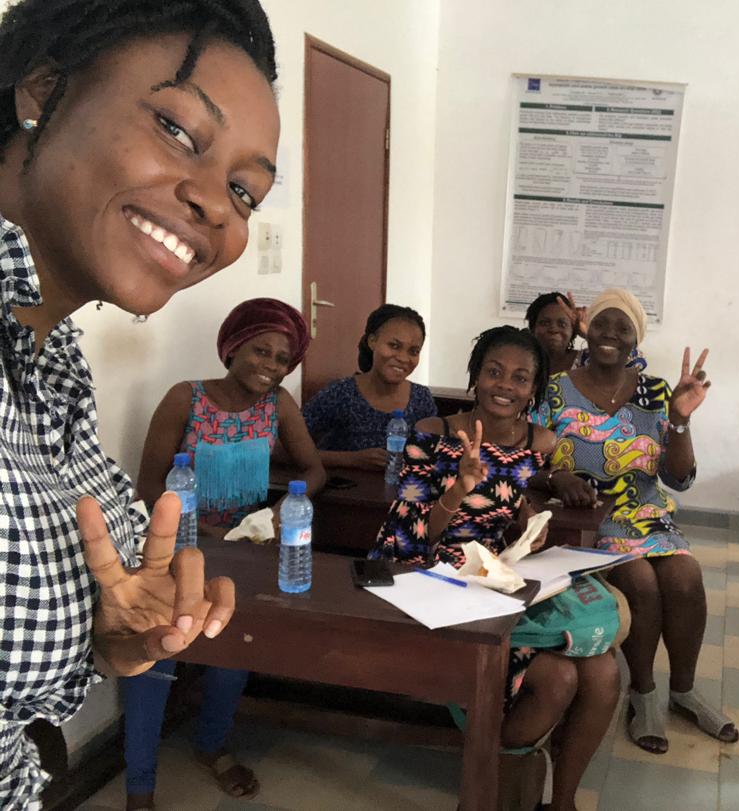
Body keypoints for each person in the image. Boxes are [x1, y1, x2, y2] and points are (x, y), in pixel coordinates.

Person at [0, 2, 279, 806]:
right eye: (179, 131)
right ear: (44, 89)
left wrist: (106, 635)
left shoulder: (53, 374)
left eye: (244, 190)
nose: (218, 207)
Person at [371, 326, 619, 811]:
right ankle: (487, 781)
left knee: (604, 672)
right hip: (421, 575)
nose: (505, 386)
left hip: (486, 574)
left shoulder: (539, 440)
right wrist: (458, 490)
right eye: (494, 372)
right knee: (560, 679)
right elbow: (408, 538)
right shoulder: (432, 434)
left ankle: (561, 802)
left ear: (534, 389)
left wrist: (527, 515)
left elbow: (512, 489)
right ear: (475, 376)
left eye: (520, 378)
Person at [127, 298, 322, 808]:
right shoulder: (185, 399)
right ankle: (139, 785)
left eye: (282, 360)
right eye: (261, 351)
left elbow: (313, 468)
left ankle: (212, 745)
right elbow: (149, 488)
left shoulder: (278, 405)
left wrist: (286, 506)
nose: (270, 366)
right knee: (156, 656)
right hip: (175, 549)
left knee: (236, 655)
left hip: (244, 552)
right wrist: (201, 535)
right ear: (233, 346)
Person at [536, 287, 738, 754]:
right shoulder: (556, 387)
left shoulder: (657, 391)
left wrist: (681, 419)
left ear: (636, 339)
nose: (611, 334)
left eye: (623, 327)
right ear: (589, 331)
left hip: (647, 512)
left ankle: (684, 690)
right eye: (603, 323)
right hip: (588, 518)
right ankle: (644, 694)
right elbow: (532, 454)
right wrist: (559, 475)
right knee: (640, 582)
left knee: (686, 576)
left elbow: (679, 478)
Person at [303, 303, 436, 470]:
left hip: (403, 493)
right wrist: (351, 459)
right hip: (344, 493)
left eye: (413, 351)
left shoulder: (421, 398)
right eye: (394, 346)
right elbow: (281, 448)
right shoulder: (342, 393)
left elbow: (432, 458)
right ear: (372, 341)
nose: (403, 358)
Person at [526, 290, 647, 375]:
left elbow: (636, 362)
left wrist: (587, 333)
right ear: (533, 328)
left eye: (562, 324)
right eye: (545, 323)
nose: (553, 329)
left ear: (573, 330)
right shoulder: (523, 360)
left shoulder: (588, 359)